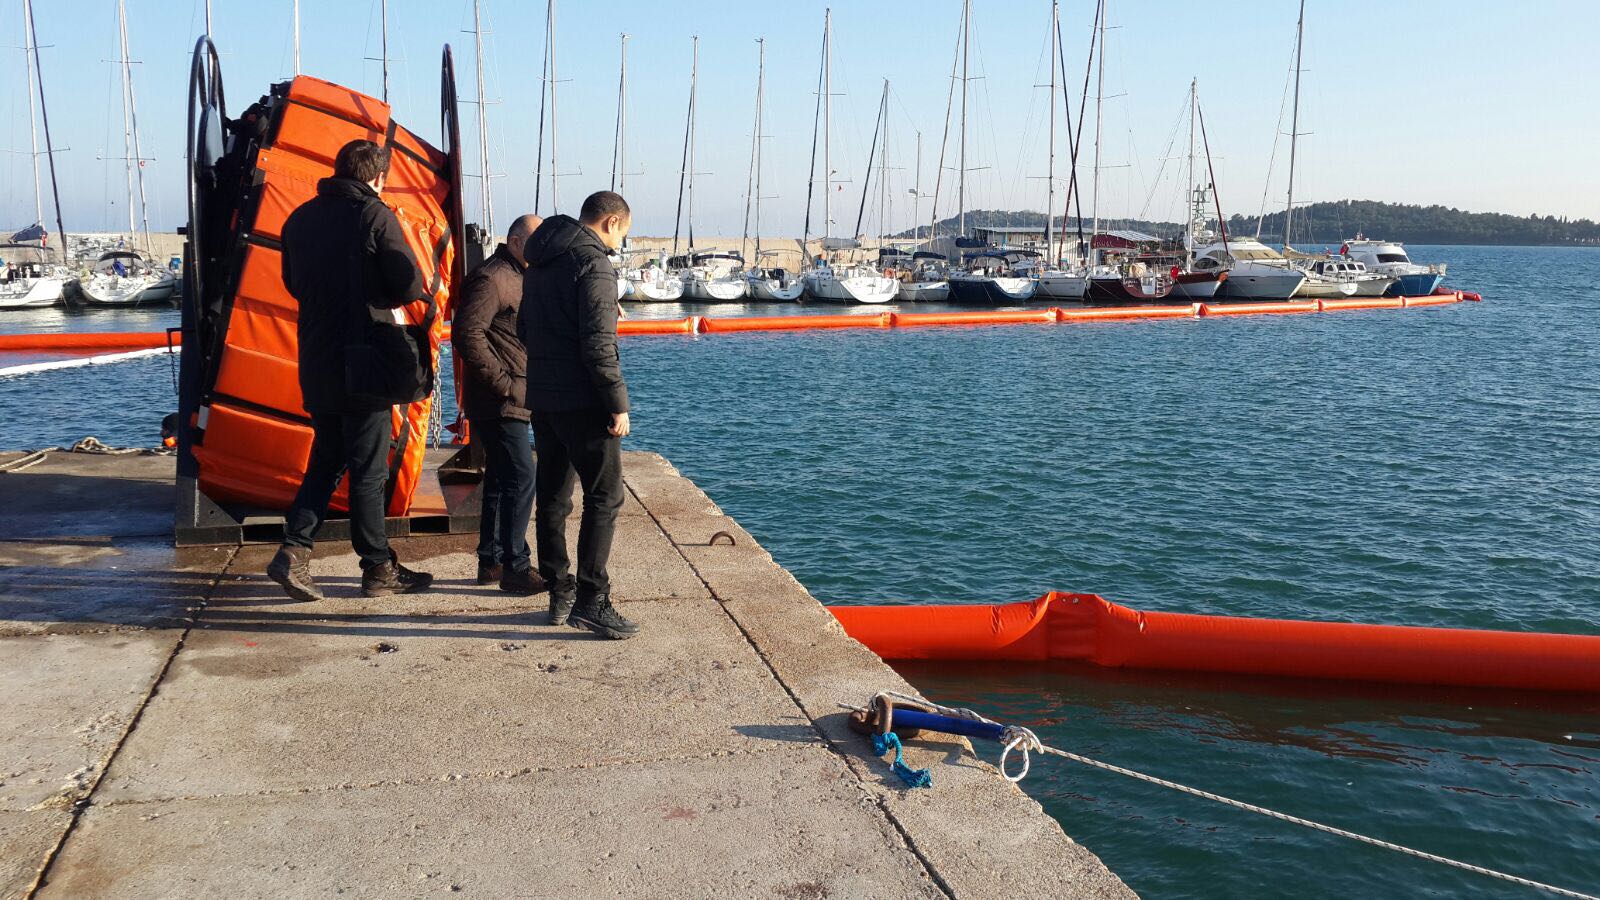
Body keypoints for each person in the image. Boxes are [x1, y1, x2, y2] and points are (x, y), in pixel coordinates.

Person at [266, 139, 435, 601]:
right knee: (367, 470)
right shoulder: (374, 214)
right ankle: (378, 568)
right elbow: (407, 284)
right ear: (377, 177)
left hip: (317, 358)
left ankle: (293, 550)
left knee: (326, 460)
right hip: (365, 358)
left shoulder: (299, 218)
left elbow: (293, 285)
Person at [519, 191, 639, 639]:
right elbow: (598, 348)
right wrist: (617, 404)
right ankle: (593, 598)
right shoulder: (594, 264)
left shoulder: (542, 261)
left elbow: (524, 328)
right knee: (604, 498)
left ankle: (559, 589)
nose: (619, 242)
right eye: (623, 232)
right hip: (585, 401)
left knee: (552, 495)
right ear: (610, 221)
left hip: (545, 398)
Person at [455, 214, 543, 594]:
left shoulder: (521, 275)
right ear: (516, 242)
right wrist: (504, 385)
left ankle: (490, 561)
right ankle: (515, 566)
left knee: (500, 478)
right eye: (538, 242)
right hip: (500, 399)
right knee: (523, 476)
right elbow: (466, 333)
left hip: (512, 396)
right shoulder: (492, 278)